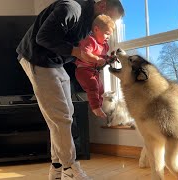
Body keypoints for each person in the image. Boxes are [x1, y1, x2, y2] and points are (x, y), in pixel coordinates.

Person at [16, 0, 124, 179]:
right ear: (102, 5)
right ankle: (69, 168)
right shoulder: (71, 8)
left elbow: (72, 50)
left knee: (64, 115)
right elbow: (42, 37)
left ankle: (57, 168)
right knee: (61, 117)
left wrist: (92, 60)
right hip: (36, 57)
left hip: (55, 62)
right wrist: (78, 53)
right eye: (109, 18)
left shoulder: (89, 26)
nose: (107, 24)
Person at [75, 14, 115, 119]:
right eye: (107, 34)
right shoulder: (90, 40)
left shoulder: (105, 46)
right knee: (93, 85)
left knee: (101, 89)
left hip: (94, 71)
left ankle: (99, 106)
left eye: (110, 35)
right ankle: (95, 107)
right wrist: (97, 59)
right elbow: (85, 53)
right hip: (83, 70)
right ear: (96, 29)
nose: (108, 37)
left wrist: (109, 59)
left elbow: (104, 59)